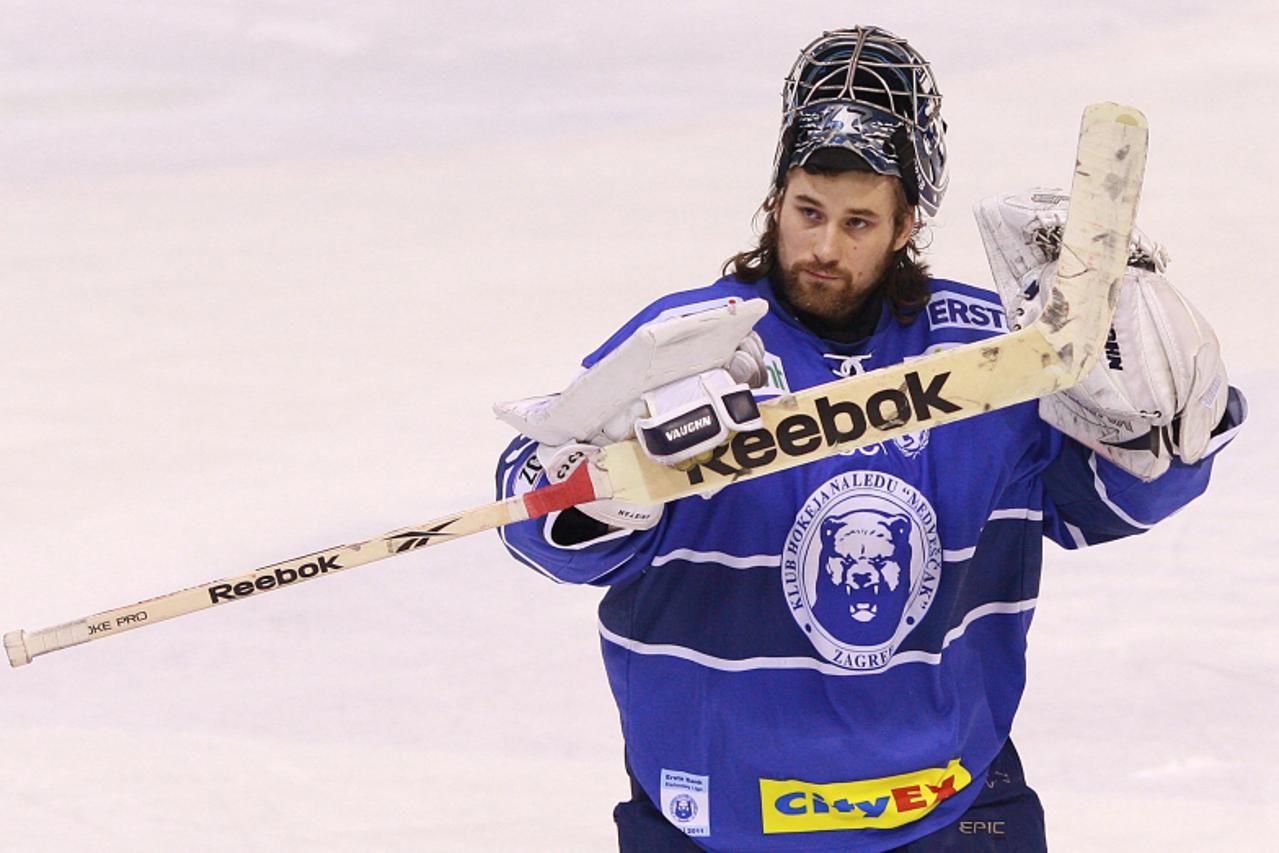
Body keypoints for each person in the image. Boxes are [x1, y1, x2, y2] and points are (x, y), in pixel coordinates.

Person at [495, 26, 1245, 852]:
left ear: (905, 225)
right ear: (775, 199)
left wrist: (1161, 433)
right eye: (807, 211)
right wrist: (593, 490)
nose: (823, 247)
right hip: (712, 817)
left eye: (857, 222)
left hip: (948, 811)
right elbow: (541, 527)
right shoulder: (684, 348)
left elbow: (1106, 505)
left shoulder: (994, 357)